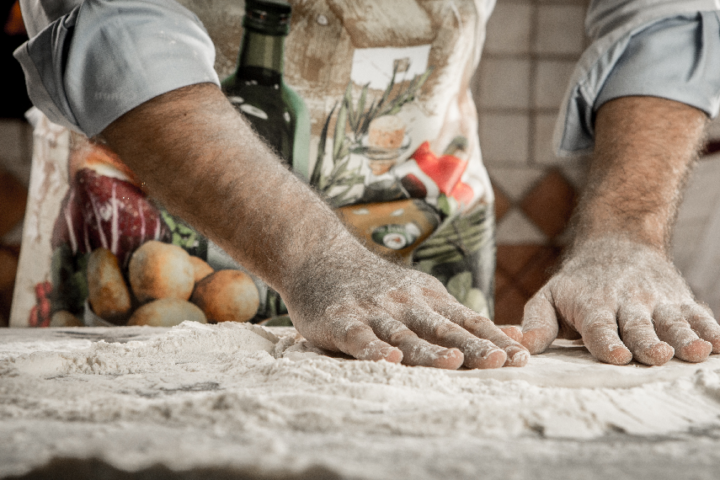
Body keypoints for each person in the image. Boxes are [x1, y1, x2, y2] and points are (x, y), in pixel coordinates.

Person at [13, 0, 720, 368]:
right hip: (147, 248)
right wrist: (312, 254)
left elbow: (666, 11)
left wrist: (624, 232)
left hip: (418, 257)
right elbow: (112, 22)